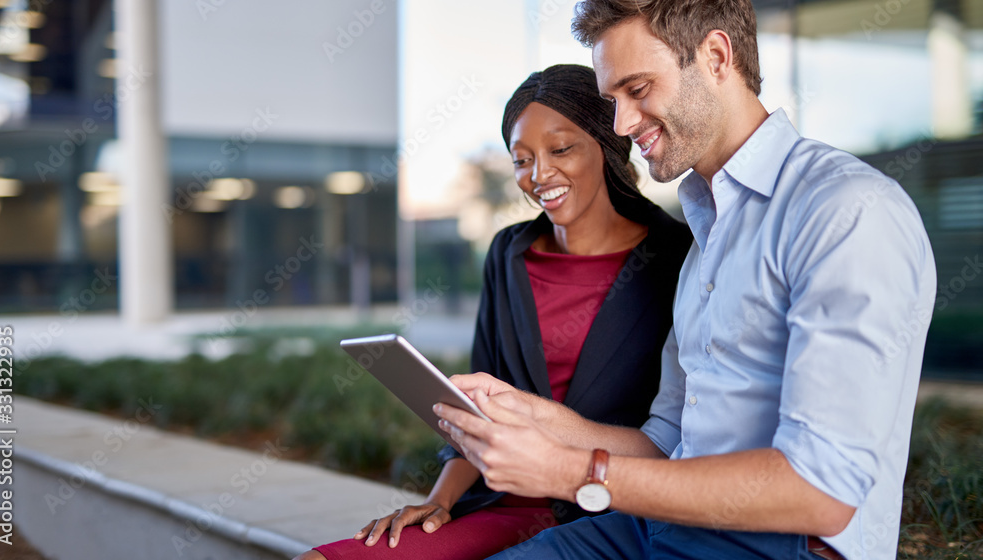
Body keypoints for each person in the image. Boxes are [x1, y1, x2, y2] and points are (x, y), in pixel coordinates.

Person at [435, 1, 937, 560]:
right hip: (655, 528)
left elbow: (821, 493)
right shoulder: (705, 236)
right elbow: (666, 443)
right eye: (613, 101)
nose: (622, 125)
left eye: (639, 89)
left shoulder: (846, 210)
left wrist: (569, 470)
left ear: (717, 56)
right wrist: (541, 418)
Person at [293, 64, 692, 560]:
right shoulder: (509, 253)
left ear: (607, 146)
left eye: (561, 149)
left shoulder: (678, 255)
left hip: (609, 510)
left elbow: (676, 430)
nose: (539, 175)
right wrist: (438, 502)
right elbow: (477, 412)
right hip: (502, 500)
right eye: (521, 159)